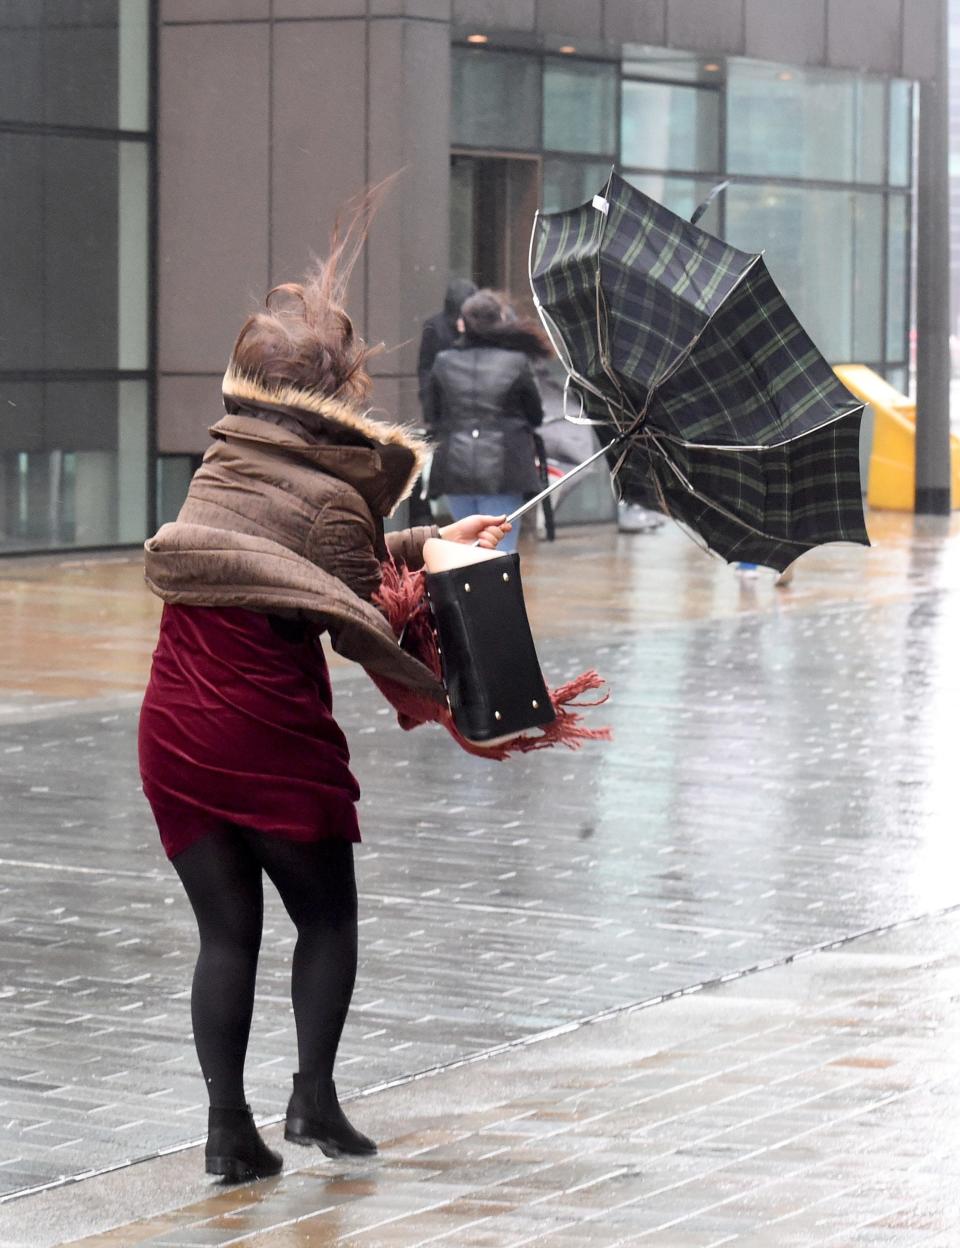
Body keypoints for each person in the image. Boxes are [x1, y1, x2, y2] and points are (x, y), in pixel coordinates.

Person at [137, 219, 510, 1183]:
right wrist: (445, 594)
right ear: (329, 401)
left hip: (175, 730)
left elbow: (312, 559)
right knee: (328, 921)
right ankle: (314, 1098)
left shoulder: (222, 465)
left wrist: (425, 538)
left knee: (226, 934)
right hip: (264, 733)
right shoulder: (336, 502)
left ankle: (228, 1131)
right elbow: (357, 605)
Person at [425, 289, 552, 553]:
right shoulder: (517, 362)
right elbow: (535, 414)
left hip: (455, 469)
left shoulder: (443, 362)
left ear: (463, 323)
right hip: (504, 470)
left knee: (465, 552)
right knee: (500, 554)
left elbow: (432, 415)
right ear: (501, 320)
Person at [416, 277, 477, 411]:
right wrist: (429, 405)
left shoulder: (479, 326)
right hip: (444, 398)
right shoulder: (435, 327)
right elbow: (426, 368)